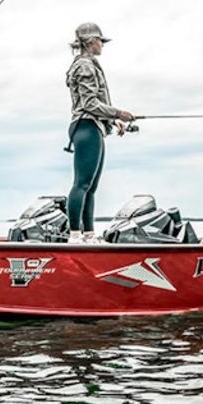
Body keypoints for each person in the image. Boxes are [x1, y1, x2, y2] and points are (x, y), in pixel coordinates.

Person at [65, 22, 135, 244]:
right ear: (90, 42)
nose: (102, 44)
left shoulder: (87, 64)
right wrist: (118, 113)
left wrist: (113, 121)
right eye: (100, 40)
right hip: (86, 126)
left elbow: (93, 104)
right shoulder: (85, 66)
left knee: (91, 187)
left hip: (92, 126)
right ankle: (74, 236)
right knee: (82, 183)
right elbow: (89, 103)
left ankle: (89, 235)